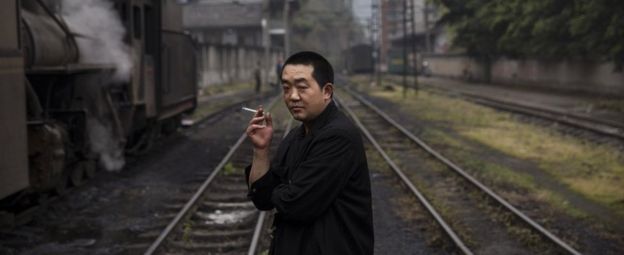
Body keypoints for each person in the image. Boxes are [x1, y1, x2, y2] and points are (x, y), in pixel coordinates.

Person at [245, 51, 374, 255]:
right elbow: (261, 198)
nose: (292, 96)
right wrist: (261, 150)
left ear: (327, 91)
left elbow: (296, 205)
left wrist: (277, 192)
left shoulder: (339, 137)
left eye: (302, 87)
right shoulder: (296, 136)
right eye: (286, 88)